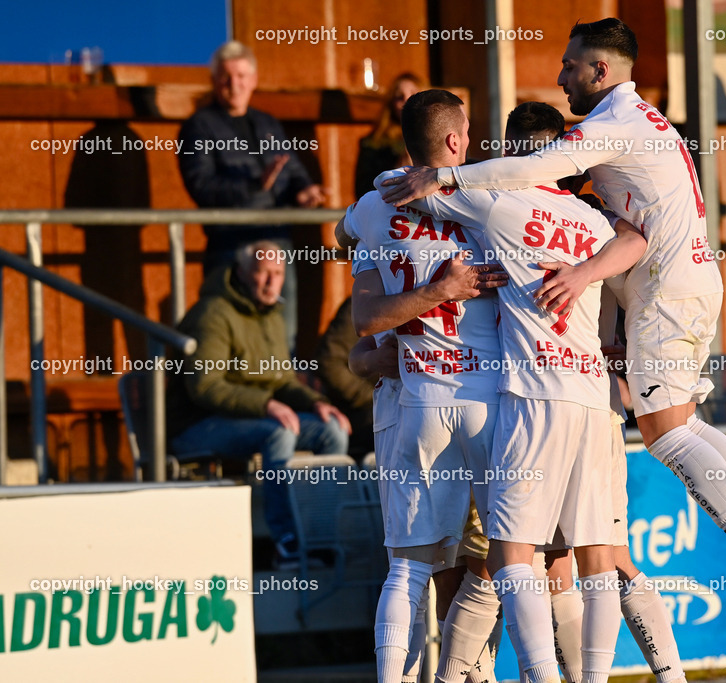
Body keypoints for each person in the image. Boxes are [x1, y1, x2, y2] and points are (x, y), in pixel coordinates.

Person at [380, 18, 726, 630]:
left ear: (601, 70)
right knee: (682, 422)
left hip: (662, 293)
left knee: (663, 433)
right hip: (685, 281)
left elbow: (532, 173)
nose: (561, 77)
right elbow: (628, 224)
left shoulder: (611, 126)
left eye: (570, 66)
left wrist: (443, 176)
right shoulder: (642, 120)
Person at [340, 89, 510, 683]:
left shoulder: (372, 204)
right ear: (457, 142)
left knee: (410, 566)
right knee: (500, 560)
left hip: (418, 400)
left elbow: (344, 237)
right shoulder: (489, 201)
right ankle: (472, 673)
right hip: (487, 402)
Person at [166, 241, 351, 565]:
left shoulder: (271, 314)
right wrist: (267, 404)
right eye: (263, 272)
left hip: (251, 417)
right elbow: (205, 386)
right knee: (278, 433)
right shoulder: (212, 313)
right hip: (197, 424)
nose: (271, 281)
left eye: (278, 273)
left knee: (331, 429)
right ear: (241, 273)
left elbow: (280, 379)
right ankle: (287, 542)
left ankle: (321, 535)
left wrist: (317, 402)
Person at [177, 40, 328, 349]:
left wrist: (304, 191)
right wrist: (256, 185)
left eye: (242, 76)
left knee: (282, 339)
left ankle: (283, 398)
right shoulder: (198, 127)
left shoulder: (267, 123)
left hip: (277, 241)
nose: (235, 84)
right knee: (232, 343)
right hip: (231, 247)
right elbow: (201, 187)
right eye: (227, 77)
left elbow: (292, 169)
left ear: (254, 80)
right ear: (215, 81)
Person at [315, 297, 376, 457]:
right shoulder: (363, 303)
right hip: (363, 410)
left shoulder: (436, 303)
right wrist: (373, 395)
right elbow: (329, 362)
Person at [355, 73, 425, 197]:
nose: (406, 100)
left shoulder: (440, 137)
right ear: (391, 104)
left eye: (413, 94)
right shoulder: (373, 144)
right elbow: (362, 191)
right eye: (399, 97)